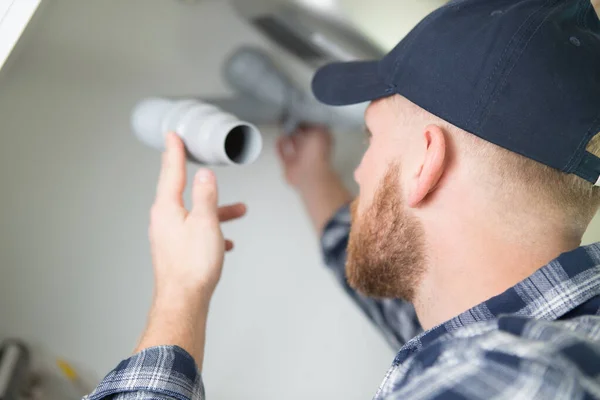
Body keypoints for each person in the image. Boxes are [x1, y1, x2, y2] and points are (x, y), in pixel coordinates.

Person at [85, 0, 600, 399]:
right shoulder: (542, 336)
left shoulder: (504, 380)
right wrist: (312, 178)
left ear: (426, 163)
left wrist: (179, 293)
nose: (358, 168)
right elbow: (409, 307)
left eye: (373, 139)